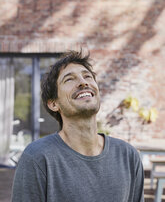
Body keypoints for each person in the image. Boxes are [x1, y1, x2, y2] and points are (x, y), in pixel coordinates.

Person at [12, 50, 144, 202]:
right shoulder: (37, 157)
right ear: (54, 104)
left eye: (87, 76)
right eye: (69, 79)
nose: (83, 82)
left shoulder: (128, 156)